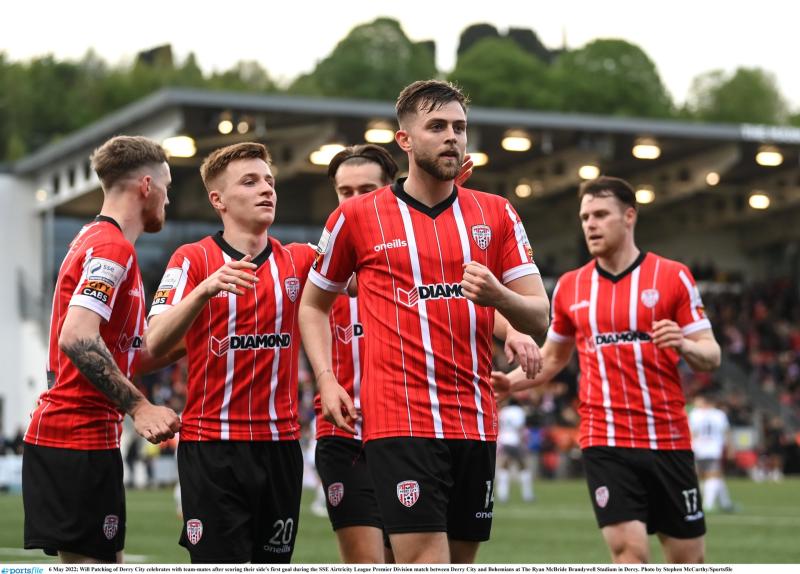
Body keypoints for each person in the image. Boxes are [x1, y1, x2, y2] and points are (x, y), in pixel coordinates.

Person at [300, 79, 550, 564]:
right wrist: (327, 380)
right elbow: (313, 304)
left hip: (476, 420)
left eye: (459, 127)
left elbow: (540, 313)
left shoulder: (496, 214)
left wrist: (498, 295)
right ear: (406, 140)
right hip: (399, 420)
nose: (452, 137)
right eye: (437, 127)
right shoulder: (357, 216)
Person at [494, 176, 721, 564]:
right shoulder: (570, 286)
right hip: (605, 441)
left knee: (689, 560)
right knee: (628, 553)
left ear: (629, 216)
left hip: (667, 439)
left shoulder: (672, 277)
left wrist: (683, 344)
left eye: (601, 215)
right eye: (585, 217)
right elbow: (552, 358)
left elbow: (711, 355)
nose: (590, 225)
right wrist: (510, 383)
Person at [144, 142, 315, 563]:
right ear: (217, 199)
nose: (266, 190)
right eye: (250, 181)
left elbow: (369, 274)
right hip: (212, 449)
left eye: (270, 181)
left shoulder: (301, 260)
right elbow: (154, 339)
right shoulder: (193, 259)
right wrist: (204, 291)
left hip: (279, 448)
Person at [22, 135, 182, 564]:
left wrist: (195, 340)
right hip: (75, 438)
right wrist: (140, 407)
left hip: (84, 439)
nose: (169, 198)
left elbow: (133, 355)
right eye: (167, 186)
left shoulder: (97, 240)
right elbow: (76, 336)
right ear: (146, 186)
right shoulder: (112, 247)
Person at [313, 143, 399, 563]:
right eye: (344, 192)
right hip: (342, 435)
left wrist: (512, 331)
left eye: (366, 190)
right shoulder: (315, 267)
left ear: (390, 190)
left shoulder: (409, 262)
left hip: (406, 431)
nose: (354, 202)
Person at [688, 393, 734, 512]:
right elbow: (726, 432)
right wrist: (730, 448)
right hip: (713, 449)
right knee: (713, 476)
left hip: (697, 448)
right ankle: (709, 504)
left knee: (707, 476)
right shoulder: (719, 414)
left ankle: (724, 503)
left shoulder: (695, 414)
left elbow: (692, 432)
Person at [495, 398, 535, 503]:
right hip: (515, 441)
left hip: (504, 441)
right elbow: (520, 427)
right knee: (523, 466)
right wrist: (523, 443)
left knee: (504, 466)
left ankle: (502, 495)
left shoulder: (503, 411)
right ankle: (527, 495)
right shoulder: (519, 411)